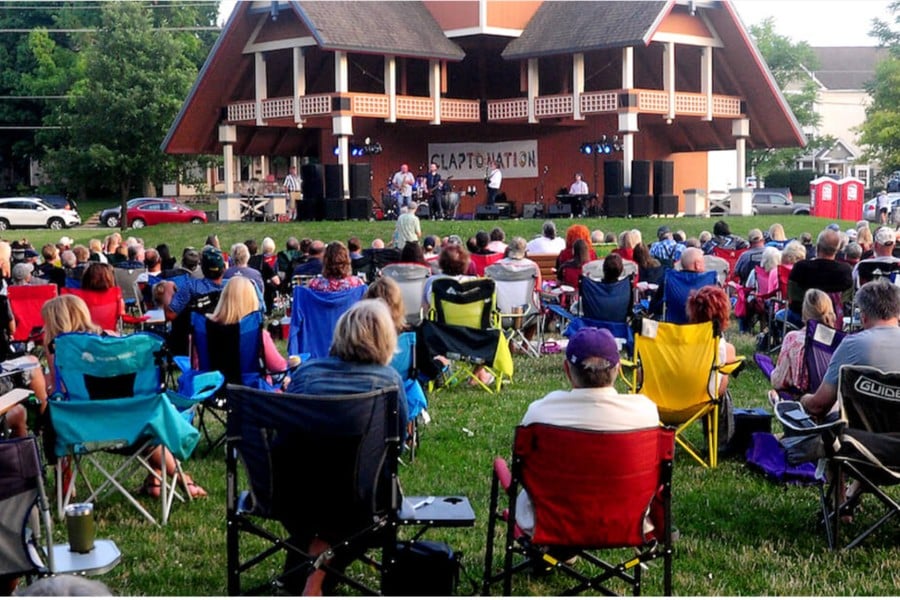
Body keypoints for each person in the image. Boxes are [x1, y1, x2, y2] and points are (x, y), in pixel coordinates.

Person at [284, 300, 407, 595]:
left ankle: (309, 568)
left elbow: (286, 436)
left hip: (294, 498)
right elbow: (397, 446)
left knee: (330, 501)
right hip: (362, 502)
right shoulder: (388, 382)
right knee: (363, 504)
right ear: (385, 339)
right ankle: (316, 579)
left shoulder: (306, 376)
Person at [42, 295, 207, 499]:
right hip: (133, 425)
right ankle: (176, 479)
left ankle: (65, 484)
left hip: (83, 429)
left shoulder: (58, 350)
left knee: (54, 414)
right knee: (146, 419)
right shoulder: (113, 340)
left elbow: (57, 392)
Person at [515, 327, 658, 534]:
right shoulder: (646, 413)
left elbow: (523, 469)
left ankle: (556, 554)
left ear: (567, 369)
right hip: (628, 523)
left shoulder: (540, 414)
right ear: (617, 369)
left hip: (551, 524)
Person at [801, 279, 900, 419]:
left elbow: (818, 406)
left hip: (864, 438)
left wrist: (803, 399)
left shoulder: (853, 345)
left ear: (863, 316)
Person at [208, 276, 287, 381]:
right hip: (252, 393)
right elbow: (278, 366)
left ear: (223, 298)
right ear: (252, 300)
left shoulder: (205, 330)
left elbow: (198, 366)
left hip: (213, 391)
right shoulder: (258, 335)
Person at [769, 289, 836, 395]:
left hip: (802, 399)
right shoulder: (839, 341)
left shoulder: (793, 338)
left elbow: (778, 382)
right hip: (831, 399)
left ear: (804, 312)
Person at [786, 228, 852, 327]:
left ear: (817, 247)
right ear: (837, 250)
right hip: (835, 320)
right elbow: (846, 300)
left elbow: (793, 297)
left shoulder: (801, 267)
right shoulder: (845, 270)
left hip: (802, 320)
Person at [686, 285, 736, 397]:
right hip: (705, 401)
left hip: (669, 401)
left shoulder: (676, 343)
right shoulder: (727, 349)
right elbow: (721, 389)